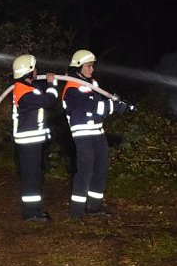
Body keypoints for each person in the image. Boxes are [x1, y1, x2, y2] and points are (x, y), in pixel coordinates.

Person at [61, 49, 133, 220]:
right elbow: (91, 106)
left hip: (98, 133)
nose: (92, 69)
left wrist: (117, 104)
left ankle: (94, 207)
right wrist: (115, 107)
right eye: (88, 66)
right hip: (83, 136)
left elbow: (101, 105)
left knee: (100, 169)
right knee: (84, 172)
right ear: (78, 67)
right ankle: (76, 213)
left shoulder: (92, 84)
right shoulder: (72, 88)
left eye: (92, 66)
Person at [11, 54, 58, 222]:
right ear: (29, 73)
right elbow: (49, 100)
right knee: (31, 177)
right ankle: (30, 214)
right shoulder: (25, 92)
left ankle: (35, 210)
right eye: (34, 69)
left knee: (35, 175)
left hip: (31, 141)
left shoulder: (26, 88)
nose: (37, 71)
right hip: (28, 142)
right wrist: (52, 84)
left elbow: (39, 93)